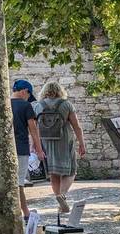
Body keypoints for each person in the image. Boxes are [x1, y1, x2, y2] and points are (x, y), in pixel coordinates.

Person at [35, 81, 87, 213]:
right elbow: (76, 125)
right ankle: (62, 195)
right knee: (71, 171)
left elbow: (35, 128)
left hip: (46, 141)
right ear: (60, 90)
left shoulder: (38, 106)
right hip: (64, 141)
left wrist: (35, 146)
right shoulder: (66, 104)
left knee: (53, 172)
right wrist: (81, 143)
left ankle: (59, 199)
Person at [11, 80, 46, 220]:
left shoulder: (4, 105)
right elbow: (33, 130)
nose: (28, 98)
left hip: (7, 148)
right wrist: (39, 150)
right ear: (24, 91)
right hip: (21, 147)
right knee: (19, 182)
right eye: (28, 94)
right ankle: (25, 213)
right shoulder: (26, 106)